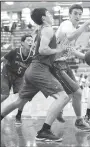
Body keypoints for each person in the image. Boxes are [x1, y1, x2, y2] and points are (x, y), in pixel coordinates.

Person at [1, 8, 71, 142]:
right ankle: (44, 131)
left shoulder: (42, 29)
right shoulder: (47, 29)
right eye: (48, 13)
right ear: (44, 18)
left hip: (34, 69)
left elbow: (44, 51)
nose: (51, 15)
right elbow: (43, 50)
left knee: (20, 101)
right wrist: (59, 49)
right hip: (39, 69)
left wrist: (59, 51)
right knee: (62, 97)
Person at [50, 4, 90, 131]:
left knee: (71, 93)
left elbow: (70, 49)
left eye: (80, 14)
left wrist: (86, 56)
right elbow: (70, 36)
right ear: (69, 15)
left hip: (63, 63)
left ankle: (61, 110)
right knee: (77, 93)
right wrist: (86, 24)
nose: (78, 16)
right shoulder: (67, 24)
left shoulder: (74, 27)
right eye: (75, 13)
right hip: (55, 64)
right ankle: (79, 120)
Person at [1, 34, 34, 122]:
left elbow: (31, 70)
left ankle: (19, 115)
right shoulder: (14, 51)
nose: (30, 42)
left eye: (32, 40)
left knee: (23, 96)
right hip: (7, 74)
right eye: (28, 40)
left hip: (19, 77)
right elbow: (2, 59)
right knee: (5, 95)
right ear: (22, 43)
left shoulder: (32, 56)